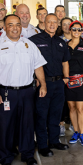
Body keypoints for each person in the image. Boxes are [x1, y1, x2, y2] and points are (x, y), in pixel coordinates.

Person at [0, 14, 47, 165]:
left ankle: (28, 154)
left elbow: (38, 66)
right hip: (5, 93)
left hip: (26, 92)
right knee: (5, 127)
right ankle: (6, 158)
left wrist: (43, 84)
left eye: (17, 24)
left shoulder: (29, 45)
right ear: (5, 27)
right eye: (11, 24)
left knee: (27, 124)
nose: (15, 27)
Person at [29, 14, 71, 157]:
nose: (52, 24)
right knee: (41, 115)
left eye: (54, 22)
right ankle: (42, 145)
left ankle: (54, 140)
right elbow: (30, 63)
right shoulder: (34, 41)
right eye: (49, 22)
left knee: (56, 114)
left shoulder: (61, 42)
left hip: (59, 83)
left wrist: (66, 78)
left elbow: (65, 62)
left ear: (58, 24)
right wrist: (37, 80)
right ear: (44, 23)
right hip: (43, 84)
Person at [66, 21, 83, 146]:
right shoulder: (65, 46)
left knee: (80, 108)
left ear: (81, 31)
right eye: (74, 29)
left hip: (82, 80)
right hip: (68, 80)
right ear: (70, 30)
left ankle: (82, 134)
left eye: (79, 30)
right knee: (72, 108)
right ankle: (76, 132)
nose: (76, 32)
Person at [59, 16, 73, 136]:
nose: (67, 26)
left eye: (69, 24)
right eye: (64, 24)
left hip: (76, 75)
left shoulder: (78, 38)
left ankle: (74, 123)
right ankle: (61, 123)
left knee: (74, 100)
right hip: (63, 75)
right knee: (62, 100)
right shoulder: (58, 40)